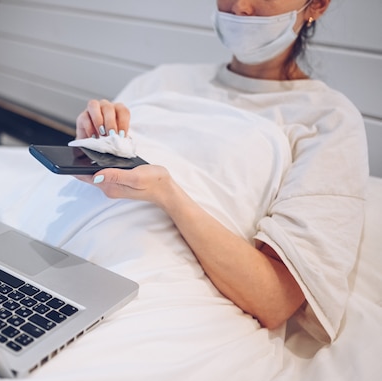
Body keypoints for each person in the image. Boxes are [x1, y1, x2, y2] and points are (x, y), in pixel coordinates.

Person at [74, 0, 369, 342]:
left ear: (316, 5)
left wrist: (169, 196)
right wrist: (91, 145)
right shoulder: (161, 81)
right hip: (56, 258)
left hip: (149, 293)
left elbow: (274, 301)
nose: (240, 6)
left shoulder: (327, 119)